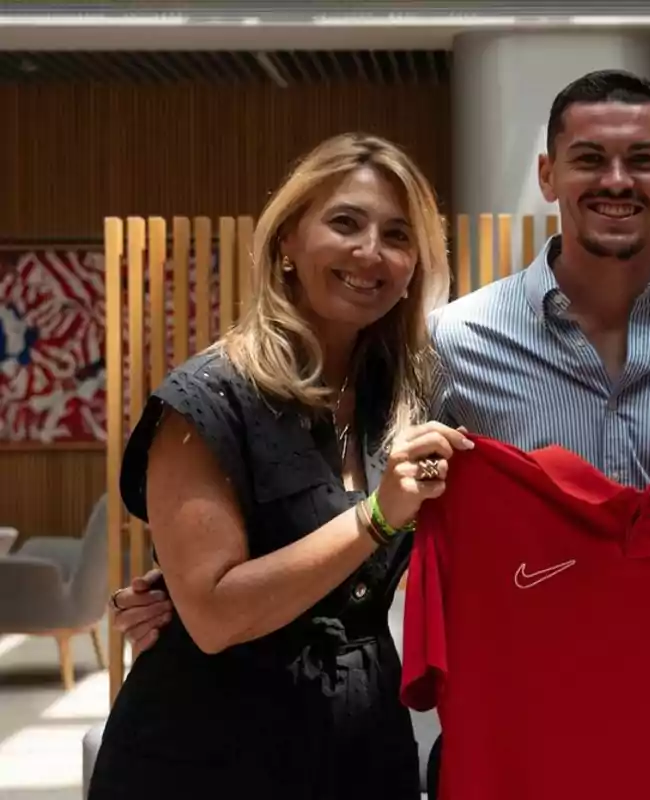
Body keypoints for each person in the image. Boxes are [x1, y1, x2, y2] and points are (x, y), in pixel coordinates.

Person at [107, 72, 650, 791]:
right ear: (548, 175)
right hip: (511, 752)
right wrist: (191, 596)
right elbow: (370, 510)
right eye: (589, 159)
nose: (617, 181)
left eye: (643, 159)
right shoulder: (449, 346)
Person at [89, 132, 472, 800]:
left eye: (397, 235)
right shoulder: (208, 397)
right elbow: (212, 619)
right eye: (345, 223)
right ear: (288, 242)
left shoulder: (411, 395)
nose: (370, 253)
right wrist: (377, 517)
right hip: (211, 749)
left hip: (362, 738)